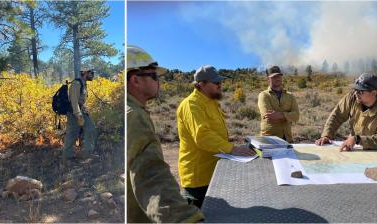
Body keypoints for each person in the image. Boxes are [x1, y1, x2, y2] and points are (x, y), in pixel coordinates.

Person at [126, 45, 203, 223]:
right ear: (136, 80)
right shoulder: (134, 116)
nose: (158, 81)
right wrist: (185, 219)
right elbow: (150, 174)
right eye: (153, 76)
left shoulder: (129, 110)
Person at [176, 65, 256, 208]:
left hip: (213, 171)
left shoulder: (211, 102)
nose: (220, 85)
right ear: (201, 84)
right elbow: (202, 136)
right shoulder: (191, 104)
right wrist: (231, 149)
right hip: (198, 179)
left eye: (220, 82)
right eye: (216, 83)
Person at [315, 72, 377, 151]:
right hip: (356, 147)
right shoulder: (352, 98)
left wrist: (357, 139)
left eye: (360, 91)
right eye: (355, 89)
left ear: (373, 93)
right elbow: (337, 116)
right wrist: (326, 136)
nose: (356, 93)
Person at [60, 69, 96, 159]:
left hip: (80, 110)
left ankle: (87, 153)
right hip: (74, 112)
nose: (93, 75)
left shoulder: (84, 83)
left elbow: (81, 101)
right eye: (91, 73)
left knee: (90, 128)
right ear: (85, 73)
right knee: (72, 134)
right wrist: (79, 115)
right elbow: (74, 101)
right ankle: (67, 157)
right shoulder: (76, 84)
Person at [257, 66, 299, 141]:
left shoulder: (290, 95)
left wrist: (280, 115)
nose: (278, 78)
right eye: (274, 77)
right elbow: (268, 116)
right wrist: (288, 116)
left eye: (279, 76)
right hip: (269, 139)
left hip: (288, 139)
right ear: (268, 79)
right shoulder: (263, 95)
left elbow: (296, 116)